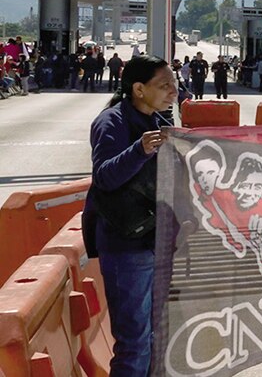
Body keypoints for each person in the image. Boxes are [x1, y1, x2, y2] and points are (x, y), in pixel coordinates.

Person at [83, 55, 175, 376]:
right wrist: (139, 150)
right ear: (138, 89)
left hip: (156, 240)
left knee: (156, 337)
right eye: (164, 85)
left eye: (174, 84)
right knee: (134, 342)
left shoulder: (159, 122)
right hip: (126, 246)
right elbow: (104, 177)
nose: (173, 92)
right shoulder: (112, 122)